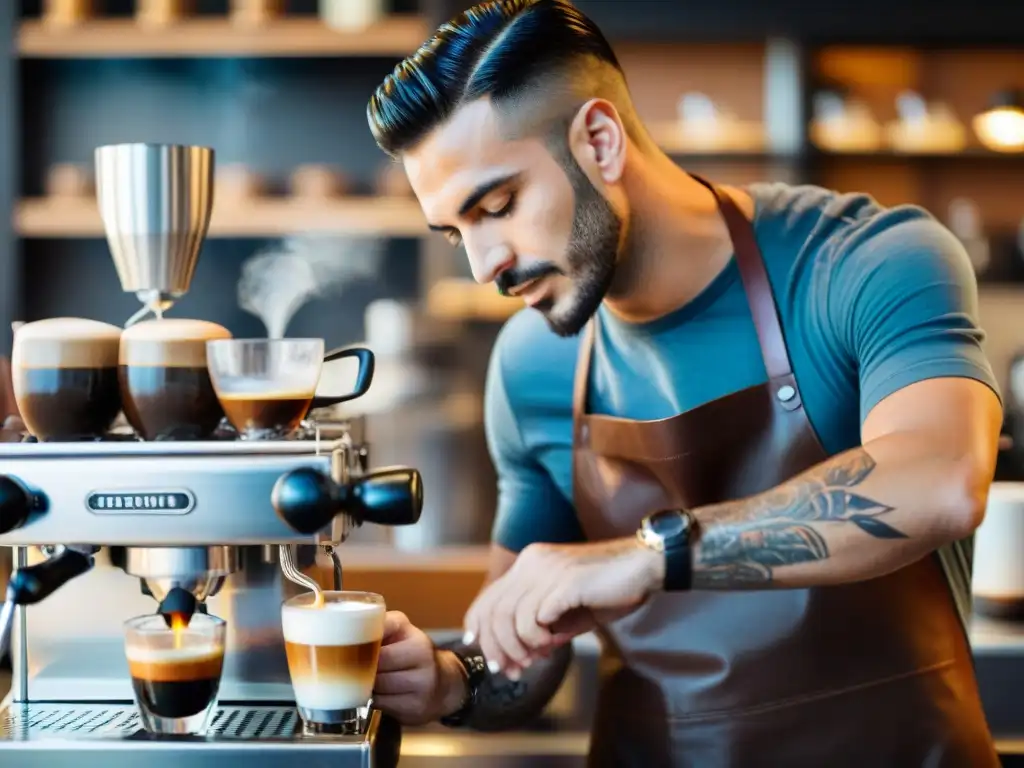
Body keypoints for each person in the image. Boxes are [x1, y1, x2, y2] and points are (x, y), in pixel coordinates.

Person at [365, 1, 1003, 765]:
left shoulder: (865, 261)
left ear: (599, 141)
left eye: (497, 206)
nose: (482, 264)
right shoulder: (532, 363)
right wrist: (450, 679)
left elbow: (939, 480)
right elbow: (520, 646)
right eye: (455, 231)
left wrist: (650, 554)